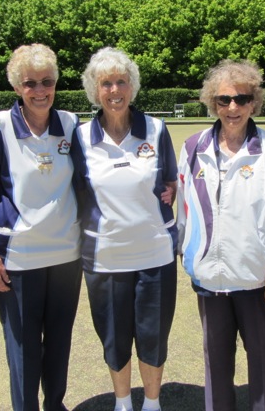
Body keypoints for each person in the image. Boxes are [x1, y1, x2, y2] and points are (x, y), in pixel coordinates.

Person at [176, 59, 265, 411]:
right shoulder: (192, 147)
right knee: (215, 362)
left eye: (242, 99)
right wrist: (188, 255)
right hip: (209, 277)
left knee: (261, 359)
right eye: (223, 100)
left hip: (255, 277)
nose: (232, 107)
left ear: (254, 102)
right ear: (212, 103)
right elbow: (184, 211)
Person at [0, 43, 82, 411]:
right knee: (22, 348)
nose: (39, 90)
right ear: (17, 87)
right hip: (18, 257)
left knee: (59, 342)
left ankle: (54, 404)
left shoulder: (70, 123)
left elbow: (91, 177)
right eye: (30, 83)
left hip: (67, 255)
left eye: (47, 81)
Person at [71, 47, 178, 411]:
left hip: (155, 253)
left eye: (121, 82)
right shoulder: (80, 137)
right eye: (106, 83)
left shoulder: (157, 129)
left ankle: (151, 401)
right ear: (94, 90)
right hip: (105, 256)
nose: (114, 90)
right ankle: (122, 401)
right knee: (114, 337)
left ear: (132, 87)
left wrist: (173, 189)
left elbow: (169, 181)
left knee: (153, 333)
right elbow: (74, 190)